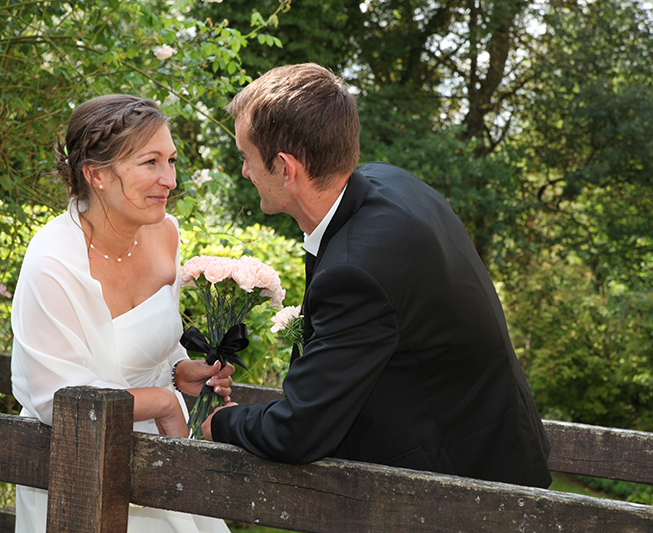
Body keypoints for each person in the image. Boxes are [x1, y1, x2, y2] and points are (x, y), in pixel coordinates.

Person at [202, 63, 552, 488]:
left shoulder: (355, 272)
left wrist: (224, 422)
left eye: (247, 158)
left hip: (464, 491)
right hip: (499, 446)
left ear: (285, 168)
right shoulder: (391, 182)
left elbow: (297, 432)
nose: (245, 172)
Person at [10, 94, 234, 532]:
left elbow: (158, 345)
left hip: (162, 458)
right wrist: (164, 403)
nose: (169, 179)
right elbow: (50, 395)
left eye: (171, 160)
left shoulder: (165, 232)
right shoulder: (52, 262)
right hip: (77, 468)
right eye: (150, 162)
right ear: (97, 175)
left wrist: (179, 371)